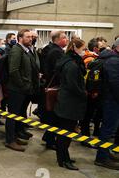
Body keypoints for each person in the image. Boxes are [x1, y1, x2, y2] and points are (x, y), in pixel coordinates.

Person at [53, 38, 87, 170]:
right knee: (65, 133)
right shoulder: (71, 65)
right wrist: (84, 93)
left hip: (67, 101)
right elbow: (73, 85)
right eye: (83, 49)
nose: (85, 52)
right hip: (69, 103)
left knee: (66, 132)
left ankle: (63, 157)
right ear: (75, 48)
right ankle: (63, 159)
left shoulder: (70, 61)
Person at [5, 29, 40, 152]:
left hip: (25, 89)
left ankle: (15, 136)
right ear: (20, 38)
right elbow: (14, 71)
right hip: (17, 89)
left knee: (19, 114)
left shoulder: (27, 50)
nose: (30, 39)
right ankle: (10, 140)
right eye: (27, 37)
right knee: (12, 115)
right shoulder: (16, 50)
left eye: (31, 37)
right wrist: (22, 85)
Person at [40, 31, 68, 150]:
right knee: (54, 115)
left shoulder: (49, 48)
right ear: (57, 39)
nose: (66, 39)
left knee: (52, 115)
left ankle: (48, 137)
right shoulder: (57, 52)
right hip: (54, 86)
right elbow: (58, 71)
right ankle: (50, 139)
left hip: (49, 84)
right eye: (64, 37)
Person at [94, 38, 119, 170]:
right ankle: (101, 158)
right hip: (112, 100)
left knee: (110, 128)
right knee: (108, 129)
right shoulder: (114, 61)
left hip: (112, 100)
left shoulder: (114, 59)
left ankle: (105, 153)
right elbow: (115, 83)